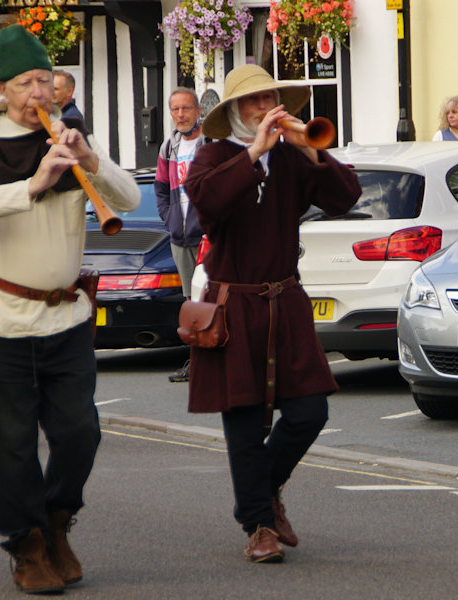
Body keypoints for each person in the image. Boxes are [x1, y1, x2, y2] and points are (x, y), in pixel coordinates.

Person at [0, 25, 139, 594]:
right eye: (27, 83)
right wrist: (33, 184)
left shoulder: (72, 135)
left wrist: (90, 160)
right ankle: (27, 547)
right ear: (2, 87)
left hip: (68, 316)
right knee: (9, 443)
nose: (39, 94)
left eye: (45, 83)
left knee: (81, 433)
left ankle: (57, 523)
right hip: (1, 314)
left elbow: (127, 199)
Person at [184, 64, 360, 563]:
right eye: (255, 102)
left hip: (285, 299)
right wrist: (255, 153)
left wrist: (311, 149)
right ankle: (259, 525)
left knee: (310, 411)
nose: (266, 109)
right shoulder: (212, 156)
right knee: (242, 419)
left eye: (271, 99)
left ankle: (263, 490)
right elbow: (207, 205)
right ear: (236, 111)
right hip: (232, 303)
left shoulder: (293, 155)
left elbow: (346, 199)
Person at [155, 87, 208, 383]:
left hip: (207, 235)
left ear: (198, 110)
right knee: (190, 300)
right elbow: (161, 189)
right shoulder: (169, 147)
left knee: (213, 297)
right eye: (175, 109)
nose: (180, 114)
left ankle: (218, 360)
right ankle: (196, 360)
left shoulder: (211, 142)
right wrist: (170, 219)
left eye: (186, 108)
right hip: (181, 234)